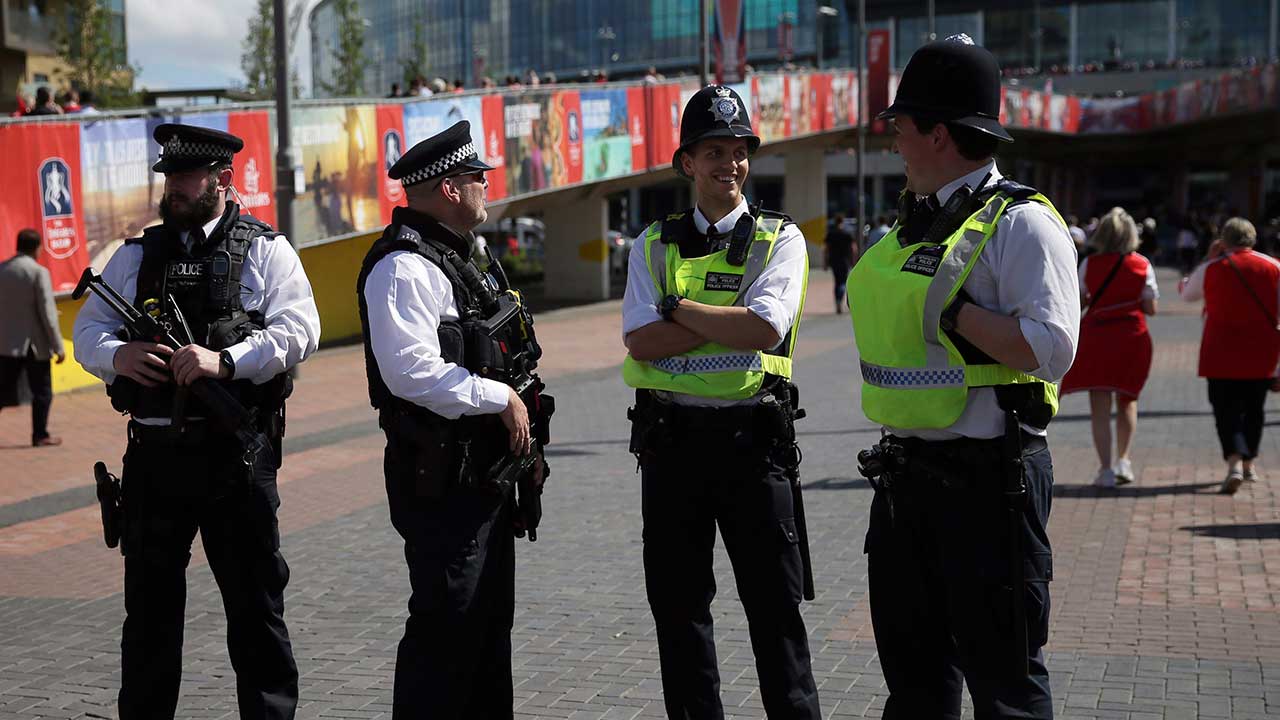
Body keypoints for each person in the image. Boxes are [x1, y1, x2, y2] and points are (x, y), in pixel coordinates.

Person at [847, 35, 1079, 719]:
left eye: (902, 127)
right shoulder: (913, 225)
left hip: (992, 482)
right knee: (915, 685)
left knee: (1006, 686)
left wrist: (954, 313)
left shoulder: (1025, 225)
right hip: (905, 480)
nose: (894, 143)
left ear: (939, 134)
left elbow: (1052, 349)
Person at [72, 124, 320, 720]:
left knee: (256, 608)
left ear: (222, 180)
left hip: (236, 458)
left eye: (185, 177)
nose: (173, 188)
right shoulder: (135, 256)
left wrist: (227, 360)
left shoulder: (265, 249)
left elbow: (301, 330)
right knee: (150, 614)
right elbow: (86, 334)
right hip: (155, 459)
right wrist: (118, 356)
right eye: (168, 177)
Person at [622, 84, 821, 719]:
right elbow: (639, 341)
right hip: (671, 447)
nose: (728, 163)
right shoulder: (651, 243)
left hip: (753, 447)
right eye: (713, 150)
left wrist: (676, 308)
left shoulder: (779, 239)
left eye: (739, 151)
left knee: (776, 617)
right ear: (687, 162)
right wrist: (724, 315)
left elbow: (765, 328)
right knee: (679, 618)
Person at [357, 120, 550, 718]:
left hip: (485, 476)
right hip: (440, 478)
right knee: (446, 628)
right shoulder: (403, 268)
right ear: (448, 188)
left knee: (487, 628)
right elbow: (410, 372)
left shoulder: (462, 256)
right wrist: (500, 398)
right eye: (476, 177)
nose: (485, 186)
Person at [1180, 217, 1280, 495]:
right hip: (1263, 350)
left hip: (1219, 350)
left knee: (1225, 409)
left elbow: (1186, 293)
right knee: (1254, 409)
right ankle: (1249, 464)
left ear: (1223, 240)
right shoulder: (1274, 267)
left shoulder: (1212, 268)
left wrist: (1206, 259)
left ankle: (1234, 460)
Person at [1061, 207, 1158, 487]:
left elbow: (1079, 303)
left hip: (1098, 336)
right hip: (1131, 336)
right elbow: (1151, 308)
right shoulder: (1142, 264)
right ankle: (1124, 461)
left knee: (1099, 404)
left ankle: (1104, 469)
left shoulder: (1090, 264)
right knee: (1128, 399)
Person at [0, 228, 65, 447]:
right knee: (42, 392)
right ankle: (40, 435)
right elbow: (47, 313)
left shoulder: (3, 270)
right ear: (36, 248)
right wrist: (58, 346)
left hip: (7, 344)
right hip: (35, 344)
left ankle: (41, 435)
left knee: (3, 390)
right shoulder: (38, 272)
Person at [824, 212, 856, 313]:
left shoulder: (831, 234)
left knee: (836, 281)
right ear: (842, 221)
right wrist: (854, 260)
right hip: (844, 260)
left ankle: (837, 302)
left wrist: (825, 262)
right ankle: (839, 299)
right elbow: (853, 248)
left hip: (834, 260)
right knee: (843, 282)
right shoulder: (847, 233)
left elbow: (826, 249)